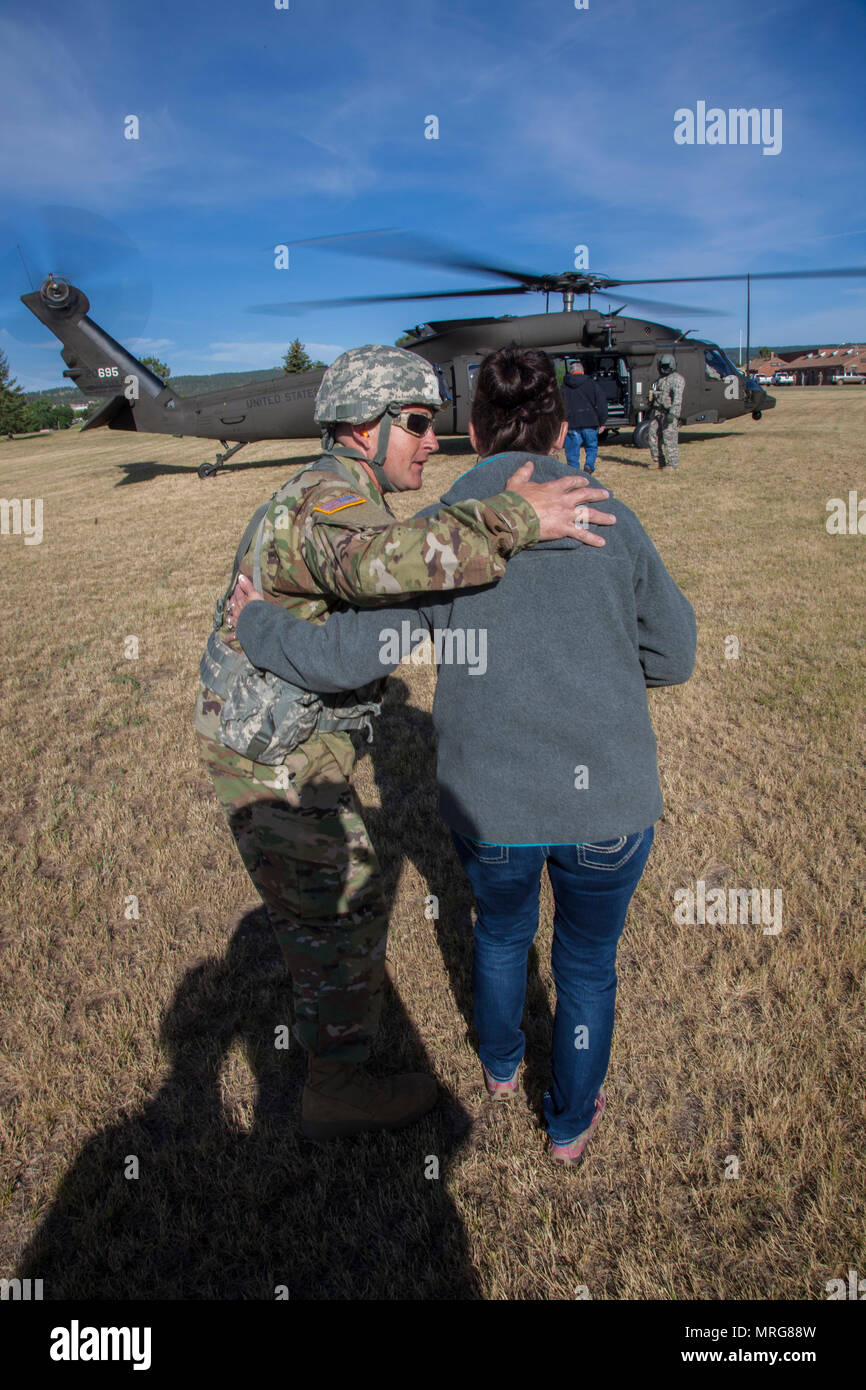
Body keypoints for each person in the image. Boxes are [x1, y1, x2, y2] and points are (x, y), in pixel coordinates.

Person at [229, 345, 697, 1165]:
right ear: (560, 431)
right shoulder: (612, 513)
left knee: (500, 934)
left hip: (493, 805)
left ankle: (502, 1067)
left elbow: (348, 655)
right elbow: (677, 656)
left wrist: (259, 622)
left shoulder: (438, 533)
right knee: (588, 964)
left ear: (474, 429)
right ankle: (569, 1125)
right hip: (611, 806)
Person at [560, 359, 608, 474]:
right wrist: (602, 422)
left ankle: (574, 473)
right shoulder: (592, 384)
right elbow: (601, 403)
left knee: (572, 452)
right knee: (591, 447)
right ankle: (589, 466)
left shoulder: (563, 387)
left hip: (571, 423)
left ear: (571, 372)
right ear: (582, 371)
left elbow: (559, 405)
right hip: (590, 422)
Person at [647, 352, 686, 470]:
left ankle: (673, 465)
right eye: (662, 366)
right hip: (658, 411)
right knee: (652, 434)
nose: (663, 369)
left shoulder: (677, 379)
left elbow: (678, 398)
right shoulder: (661, 379)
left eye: (666, 366)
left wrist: (673, 414)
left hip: (669, 413)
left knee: (669, 438)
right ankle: (658, 460)